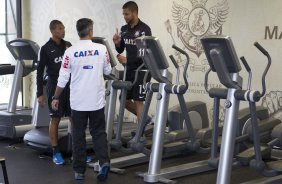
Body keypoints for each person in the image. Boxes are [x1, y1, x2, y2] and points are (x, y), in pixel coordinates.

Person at [51, 18, 111, 181]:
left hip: (78, 102)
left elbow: (62, 78)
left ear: (78, 32)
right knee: (98, 133)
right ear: (90, 31)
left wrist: (56, 96)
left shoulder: (70, 51)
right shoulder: (101, 48)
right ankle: (104, 162)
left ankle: (79, 171)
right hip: (96, 101)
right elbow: (108, 69)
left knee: (78, 135)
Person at [36, 20, 71, 165]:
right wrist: (40, 93)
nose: (63, 31)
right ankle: (56, 151)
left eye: (63, 28)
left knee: (74, 117)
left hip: (69, 86)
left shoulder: (68, 45)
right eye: (60, 29)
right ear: (52, 31)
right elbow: (39, 73)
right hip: (53, 86)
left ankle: (77, 151)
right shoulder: (45, 48)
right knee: (55, 119)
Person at [113, 1, 152, 128]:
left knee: (138, 100)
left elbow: (144, 54)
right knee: (124, 100)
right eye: (123, 14)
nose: (124, 16)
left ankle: (140, 133)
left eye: (127, 14)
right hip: (129, 69)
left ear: (134, 13)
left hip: (142, 69)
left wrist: (127, 61)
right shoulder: (124, 29)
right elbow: (120, 50)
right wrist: (118, 43)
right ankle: (144, 118)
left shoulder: (145, 30)